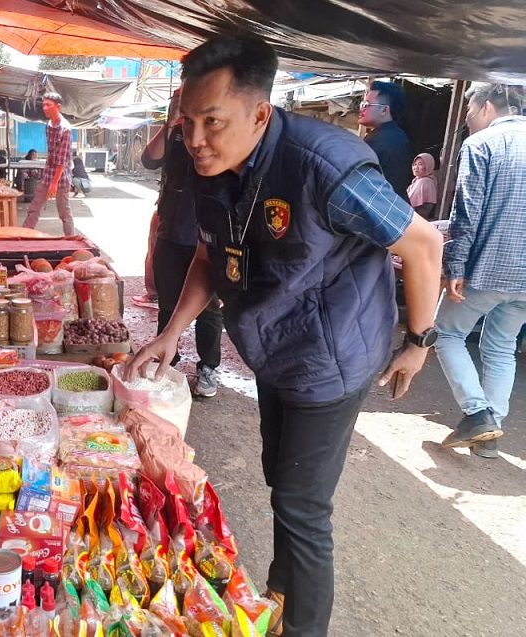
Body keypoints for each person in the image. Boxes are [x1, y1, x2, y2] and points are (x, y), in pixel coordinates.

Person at [125, 36, 442, 637]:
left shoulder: (325, 167)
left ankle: (303, 626)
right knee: (282, 480)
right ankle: (281, 590)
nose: (194, 139)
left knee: (303, 505)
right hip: (274, 350)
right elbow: (208, 255)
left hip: (332, 359)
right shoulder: (217, 167)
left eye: (211, 122)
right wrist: (172, 333)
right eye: (187, 121)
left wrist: (418, 342)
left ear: (260, 114)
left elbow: (423, 243)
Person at [434, 83, 526, 459]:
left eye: (469, 112)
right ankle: (492, 430)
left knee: (444, 332)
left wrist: (454, 265)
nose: (468, 120)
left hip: (489, 268)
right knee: (502, 346)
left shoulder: (483, 144)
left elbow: (467, 212)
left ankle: (478, 413)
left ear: (487, 107)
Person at [140, 86, 224, 397]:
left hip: (207, 234)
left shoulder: (218, 135)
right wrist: (170, 120)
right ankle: (168, 360)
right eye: (180, 101)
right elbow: (149, 161)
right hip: (171, 233)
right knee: (168, 302)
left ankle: (208, 367)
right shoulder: (176, 132)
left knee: (210, 308)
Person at [23, 92, 75, 236]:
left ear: (58, 106)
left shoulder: (66, 129)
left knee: (64, 213)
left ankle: (71, 240)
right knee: (34, 208)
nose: (45, 108)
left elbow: (62, 159)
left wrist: (54, 183)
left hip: (61, 178)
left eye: (48, 105)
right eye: (44, 105)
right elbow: (52, 153)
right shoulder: (48, 125)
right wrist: (48, 179)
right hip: (48, 174)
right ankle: (23, 236)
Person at [359, 80, 412, 199]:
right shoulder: (397, 135)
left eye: (367, 105)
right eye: (363, 104)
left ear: (384, 110)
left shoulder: (379, 140)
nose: (362, 109)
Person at [407, 152, 439, 219]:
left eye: (420, 164)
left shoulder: (424, 181)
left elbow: (409, 203)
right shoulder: (417, 180)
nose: (416, 167)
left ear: (428, 166)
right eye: (414, 164)